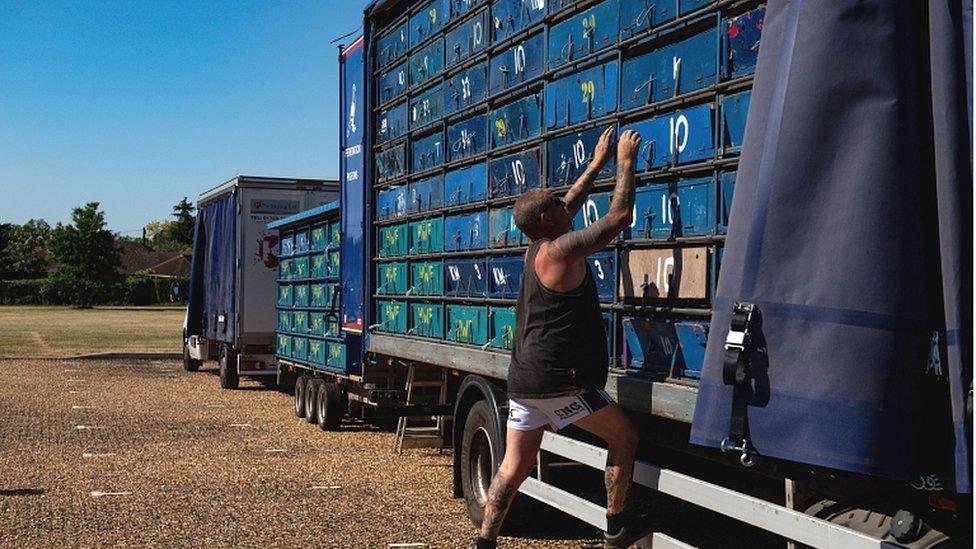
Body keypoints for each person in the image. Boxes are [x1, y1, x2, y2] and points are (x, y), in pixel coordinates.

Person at [472, 127, 650, 549]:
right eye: (555, 204)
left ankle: (484, 542)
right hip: (558, 381)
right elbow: (618, 218)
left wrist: (594, 164)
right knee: (624, 438)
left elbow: (566, 204)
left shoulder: (536, 247)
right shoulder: (558, 253)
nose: (562, 202)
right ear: (547, 221)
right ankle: (616, 527)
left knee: (512, 468)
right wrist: (624, 163)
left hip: (523, 380)